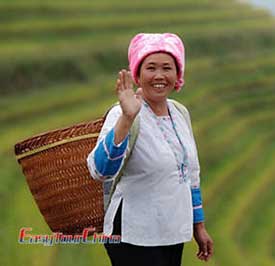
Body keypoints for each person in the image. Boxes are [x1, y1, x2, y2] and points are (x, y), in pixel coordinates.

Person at [86, 33, 213, 266]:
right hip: (132, 233)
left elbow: (190, 177)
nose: (159, 75)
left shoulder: (180, 113)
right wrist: (126, 118)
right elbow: (100, 170)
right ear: (138, 73)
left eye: (167, 68)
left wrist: (199, 226)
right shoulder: (122, 113)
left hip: (171, 231)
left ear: (177, 75)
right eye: (150, 67)